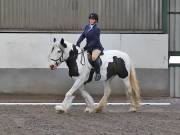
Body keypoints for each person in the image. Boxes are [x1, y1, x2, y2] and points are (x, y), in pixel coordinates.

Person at [76, 13, 104, 81]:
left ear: (95, 20)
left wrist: (85, 48)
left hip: (96, 47)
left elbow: (95, 41)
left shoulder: (97, 29)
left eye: (93, 19)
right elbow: (83, 35)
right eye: (90, 19)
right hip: (89, 47)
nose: (91, 20)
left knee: (93, 57)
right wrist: (78, 42)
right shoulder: (87, 27)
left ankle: (98, 73)